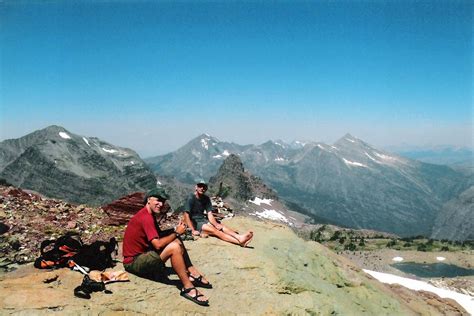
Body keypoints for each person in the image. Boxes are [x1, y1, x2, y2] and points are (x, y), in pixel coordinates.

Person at [123, 188, 211, 306]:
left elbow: (158, 235)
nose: (161, 204)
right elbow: (158, 244)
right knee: (174, 247)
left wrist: (175, 231)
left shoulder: (148, 214)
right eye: (158, 200)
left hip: (142, 256)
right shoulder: (146, 217)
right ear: (149, 200)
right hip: (133, 262)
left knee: (176, 239)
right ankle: (188, 288)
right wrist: (177, 233)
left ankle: (192, 272)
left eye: (163, 201)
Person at [183, 182, 253, 247]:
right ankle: (240, 242)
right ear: (196, 187)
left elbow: (209, 214)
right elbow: (186, 215)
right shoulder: (191, 198)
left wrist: (216, 224)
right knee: (215, 231)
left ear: (206, 189)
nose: (202, 188)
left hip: (202, 220)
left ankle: (239, 237)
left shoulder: (206, 199)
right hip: (195, 223)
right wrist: (192, 230)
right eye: (200, 186)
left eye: (204, 187)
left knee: (221, 227)